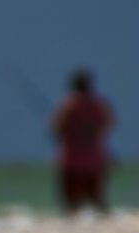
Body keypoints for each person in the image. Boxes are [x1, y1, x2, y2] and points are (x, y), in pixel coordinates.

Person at [49, 69, 115, 214]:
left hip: (71, 160)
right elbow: (109, 124)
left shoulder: (68, 105)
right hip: (95, 160)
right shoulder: (98, 105)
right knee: (97, 199)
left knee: (71, 202)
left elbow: (55, 128)